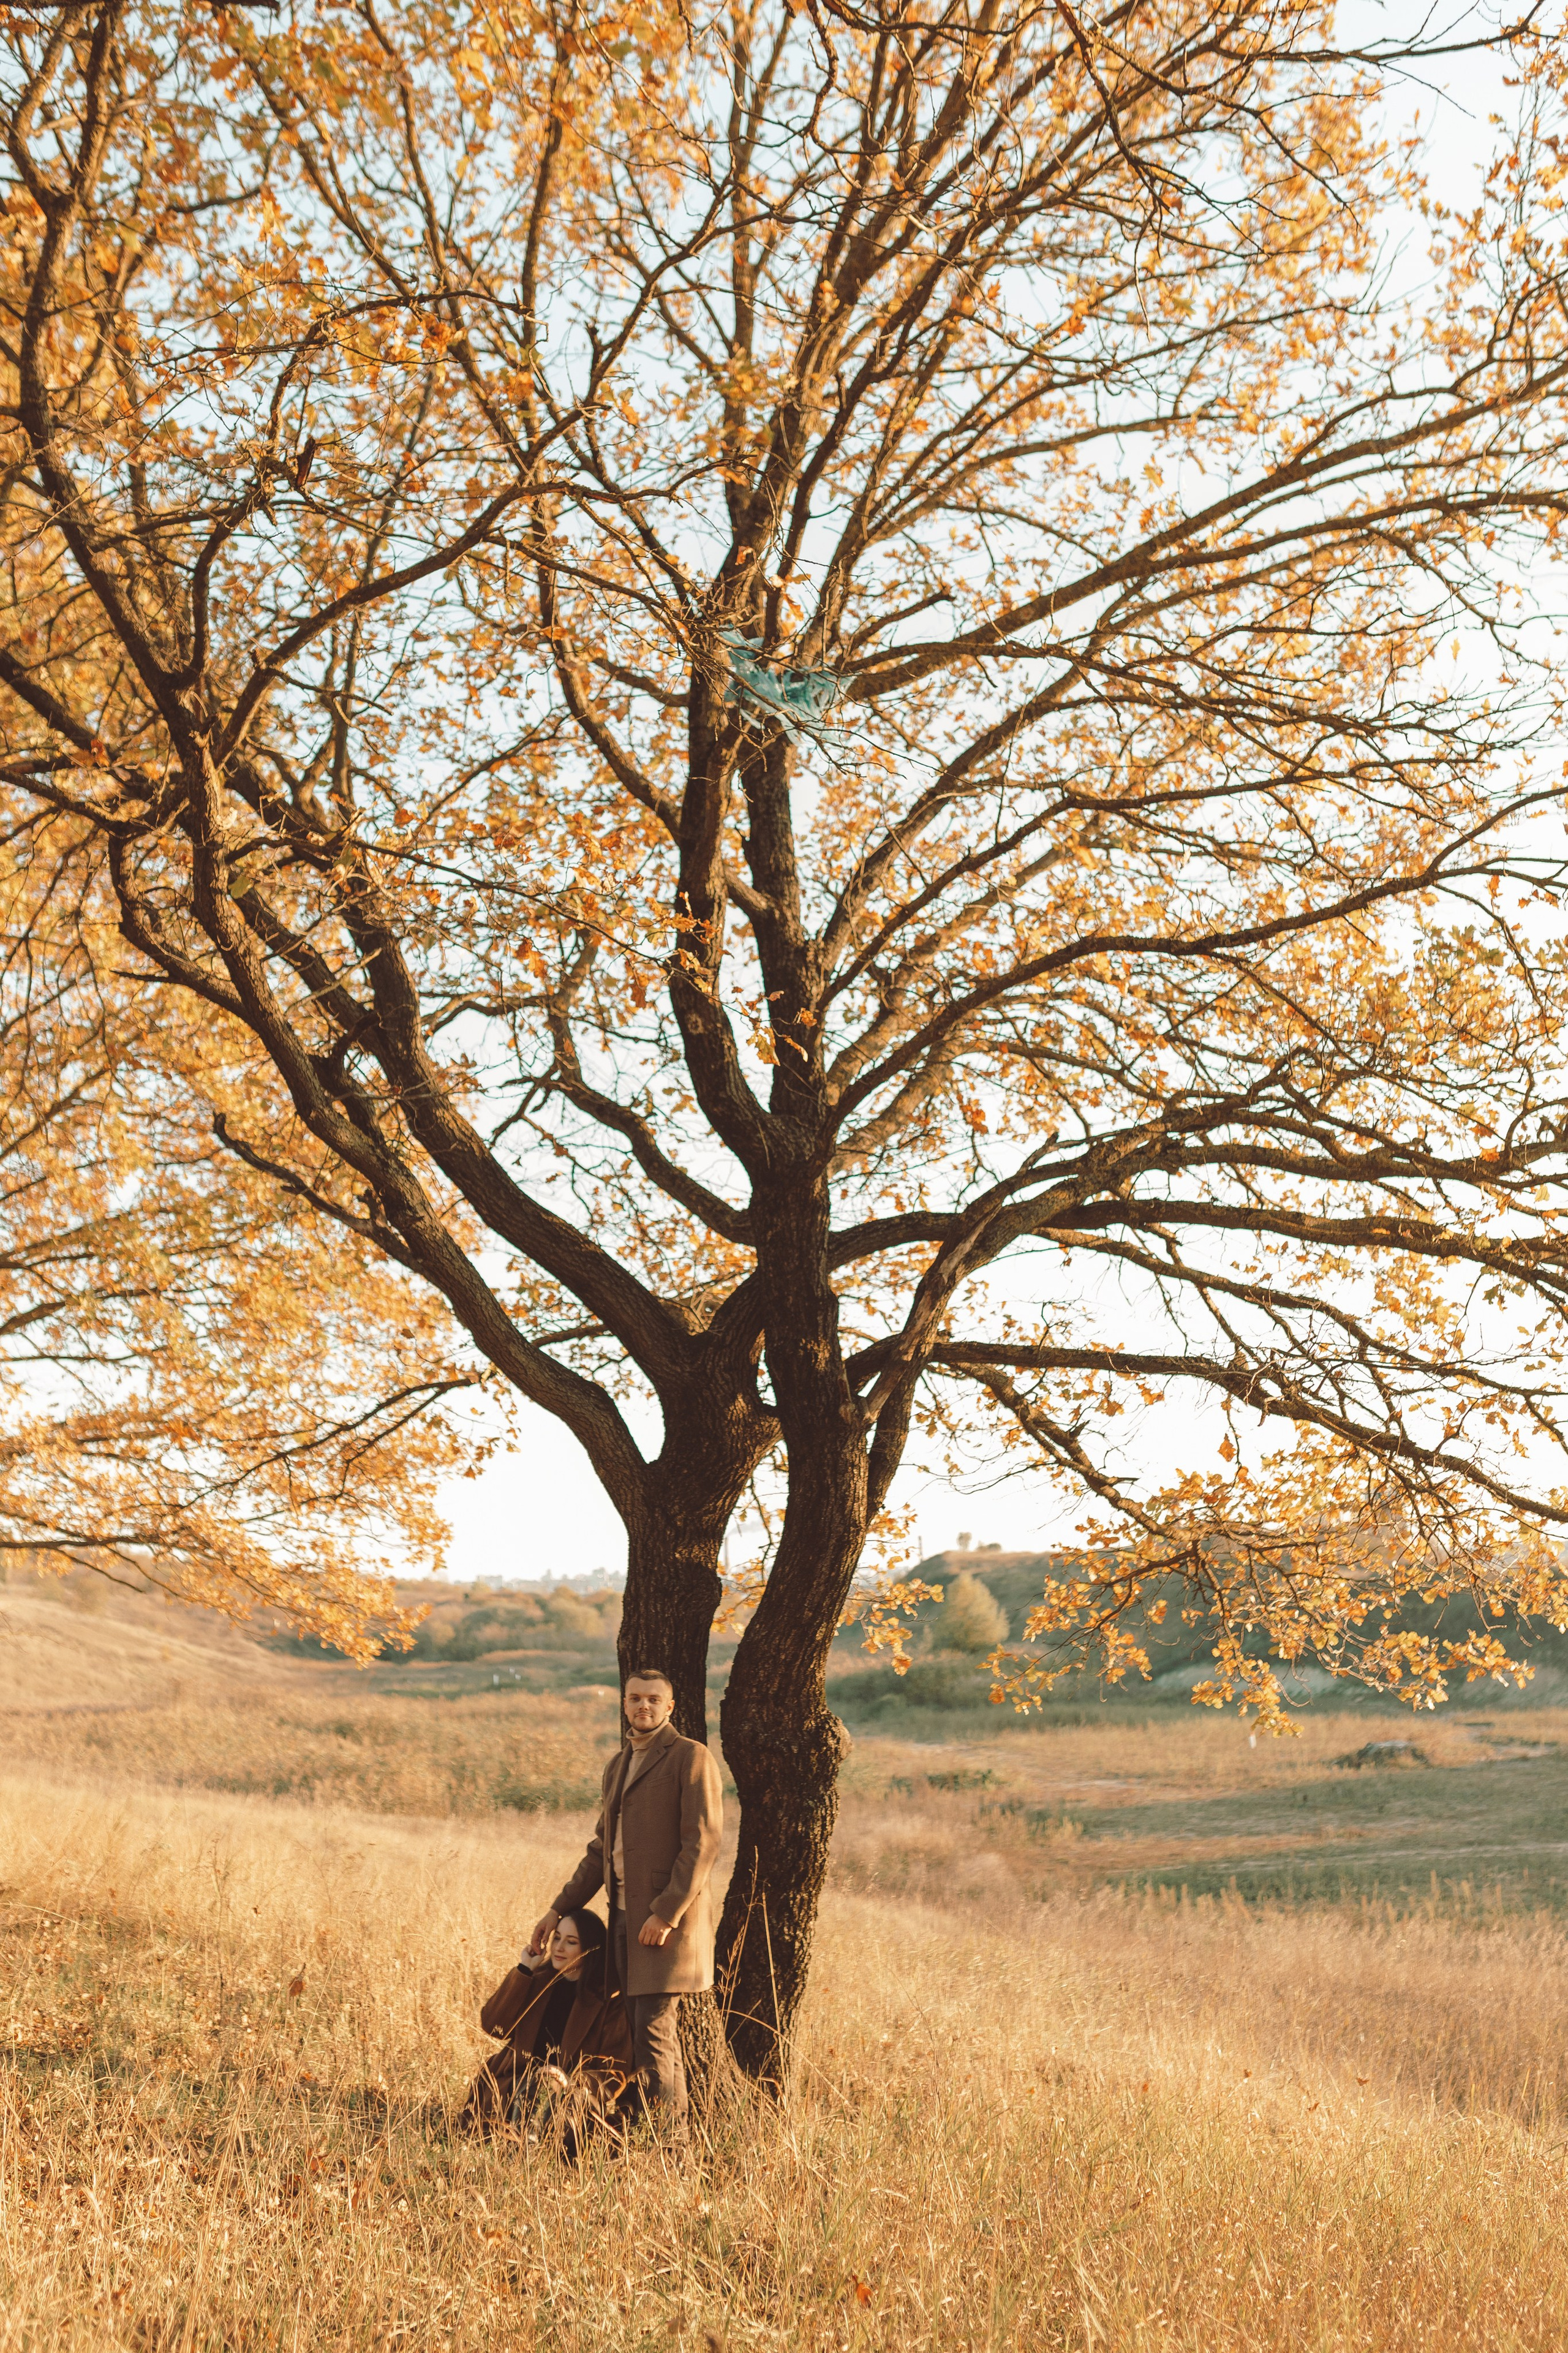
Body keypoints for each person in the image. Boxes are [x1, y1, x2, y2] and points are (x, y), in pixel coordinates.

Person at [530, 1667, 722, 2137]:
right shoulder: (618, 1765)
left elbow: (703, 1843)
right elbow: (602, 1849)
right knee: (638, 2035)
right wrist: (559, 1908)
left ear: (670, 1706)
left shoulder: (690, 1758)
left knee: (654, 2036)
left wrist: (666, 1911)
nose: (644, 1707)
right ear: (624, 1703)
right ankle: (628, 2133)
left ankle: (672, 2151)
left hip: (663, 1927)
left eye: (654, 1699)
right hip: (621, 1920)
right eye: (635, 1698)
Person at [459, 1907, 633, 2139]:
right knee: (531, 2088)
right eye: (557, 1938)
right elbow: (494, 2026)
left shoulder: (608, 1998)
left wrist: (566, 2082)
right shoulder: (537, 1981)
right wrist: (524, 1970)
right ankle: (523, 2146)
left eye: (571, 1942)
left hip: (569, 2095)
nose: (559, 1948)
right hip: (513, 2084)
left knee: (548, 2093)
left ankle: (528, 2149)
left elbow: (615, 2070)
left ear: (591, 1949)